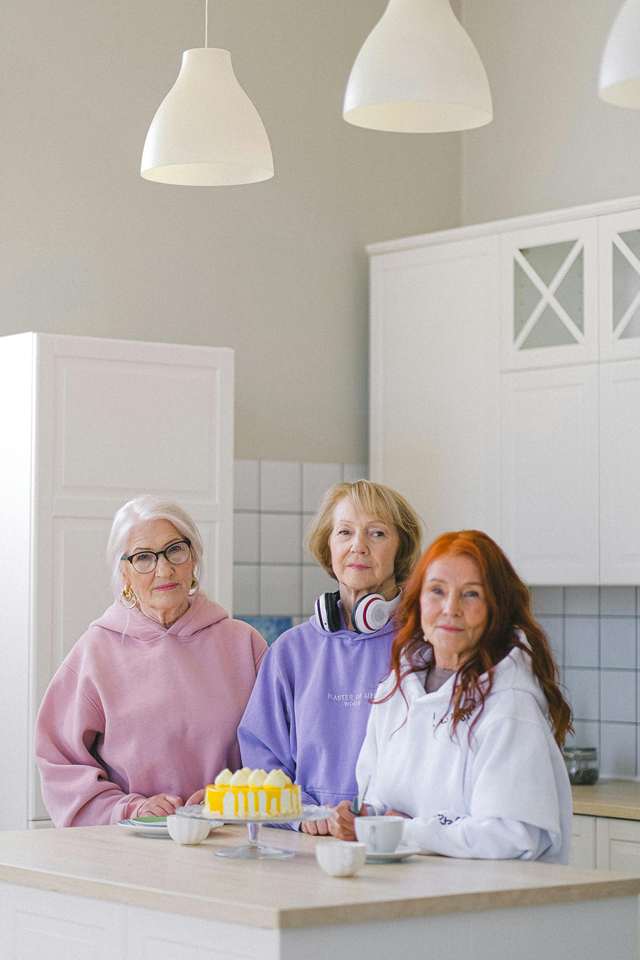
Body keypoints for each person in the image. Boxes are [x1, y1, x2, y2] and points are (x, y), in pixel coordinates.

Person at [330, 530, 573, 863]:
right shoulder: (395, 692)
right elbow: (381, 802)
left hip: (488, 895)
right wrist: (361, 817)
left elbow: (512, 835)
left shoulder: (510, 705)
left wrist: (405, 830)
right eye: (437, 591)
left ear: (496, 609)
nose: (450, 608)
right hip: (405, 889)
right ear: (418, 600)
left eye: (471, 594)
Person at [35, 495, 267, 827]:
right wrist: (131, 809)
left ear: (193, 557)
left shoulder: (244, 643)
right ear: (124, 572)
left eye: (175, 550)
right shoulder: (95, 652)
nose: (164, 569)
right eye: (144, 557)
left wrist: (233, 795)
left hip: (231, 837)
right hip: (132, 841)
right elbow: (60, 761)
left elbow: (278, 749)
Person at [238, 479, 422, 834]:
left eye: (377, 533)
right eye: (344, 532)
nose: (358, 546)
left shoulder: (423, 647)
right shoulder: (290, 651)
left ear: (401, 548)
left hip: (395, 839)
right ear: (328, 546)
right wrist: (303, 814)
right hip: (307, 841)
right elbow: (261, 759)